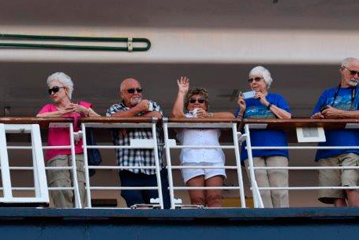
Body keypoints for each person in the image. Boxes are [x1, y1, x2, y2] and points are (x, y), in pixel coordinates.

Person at [311, 57, 359, 207]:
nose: (356, 76)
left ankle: (358, 222)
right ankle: (344, 225)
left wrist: (336, 113)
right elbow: (315, 117)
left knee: (349, 186)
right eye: (353, 72)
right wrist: (319, 117)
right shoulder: (327, 93)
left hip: (350, 148)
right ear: (342, 70)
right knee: (335, 196)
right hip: (327, 149)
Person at [106, 78, 171, 208]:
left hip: (154, 169)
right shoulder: (114, 108)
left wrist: (128, 121)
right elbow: (111, 119)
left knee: (162, 210)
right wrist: (139, 109)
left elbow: (157, 115)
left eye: (139, 90)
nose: (136, 93)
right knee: (137, 208)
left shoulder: (151, 104)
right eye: (131, 90)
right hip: (130, 170)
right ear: (122, 94)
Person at [37, 71, 98, 208]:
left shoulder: (81, 106)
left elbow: (101, 120)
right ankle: (65, 218)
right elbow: (39, 117)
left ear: (66, 89)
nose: (52, 93)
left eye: (55, 89)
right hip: (56, 154)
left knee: (80, 188)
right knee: (60, 187)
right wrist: (62, 113)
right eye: (50, 90)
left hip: (78, 153)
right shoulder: (49, 108)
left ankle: (80, 219)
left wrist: (84, 110)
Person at [172, 76, 234, 207]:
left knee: (215, 198)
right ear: (187, 105)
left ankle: (216, 227)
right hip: (191, 160)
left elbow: (231, 117)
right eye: (192, 100)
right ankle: (200, 228)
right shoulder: (183, 118)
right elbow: (176, 115)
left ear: (206, 106)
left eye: (201, 100)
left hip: (214, 160)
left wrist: (209, 116)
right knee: (197, 200)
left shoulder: (213, 118)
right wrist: (182, 93)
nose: (196, 102)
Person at [236, 66, 292, 208]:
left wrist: (266, 103)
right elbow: (236, 129)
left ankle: (283, 222)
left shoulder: (276, 98)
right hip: (252, 150)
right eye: (250, 80)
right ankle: (266, 222)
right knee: (262, 192)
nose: (253, 82)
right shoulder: (246, 102)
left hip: (276, 148)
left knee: (279, 191)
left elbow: (287, 117)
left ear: (266, 81)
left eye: (257, 79)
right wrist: (242, 111)